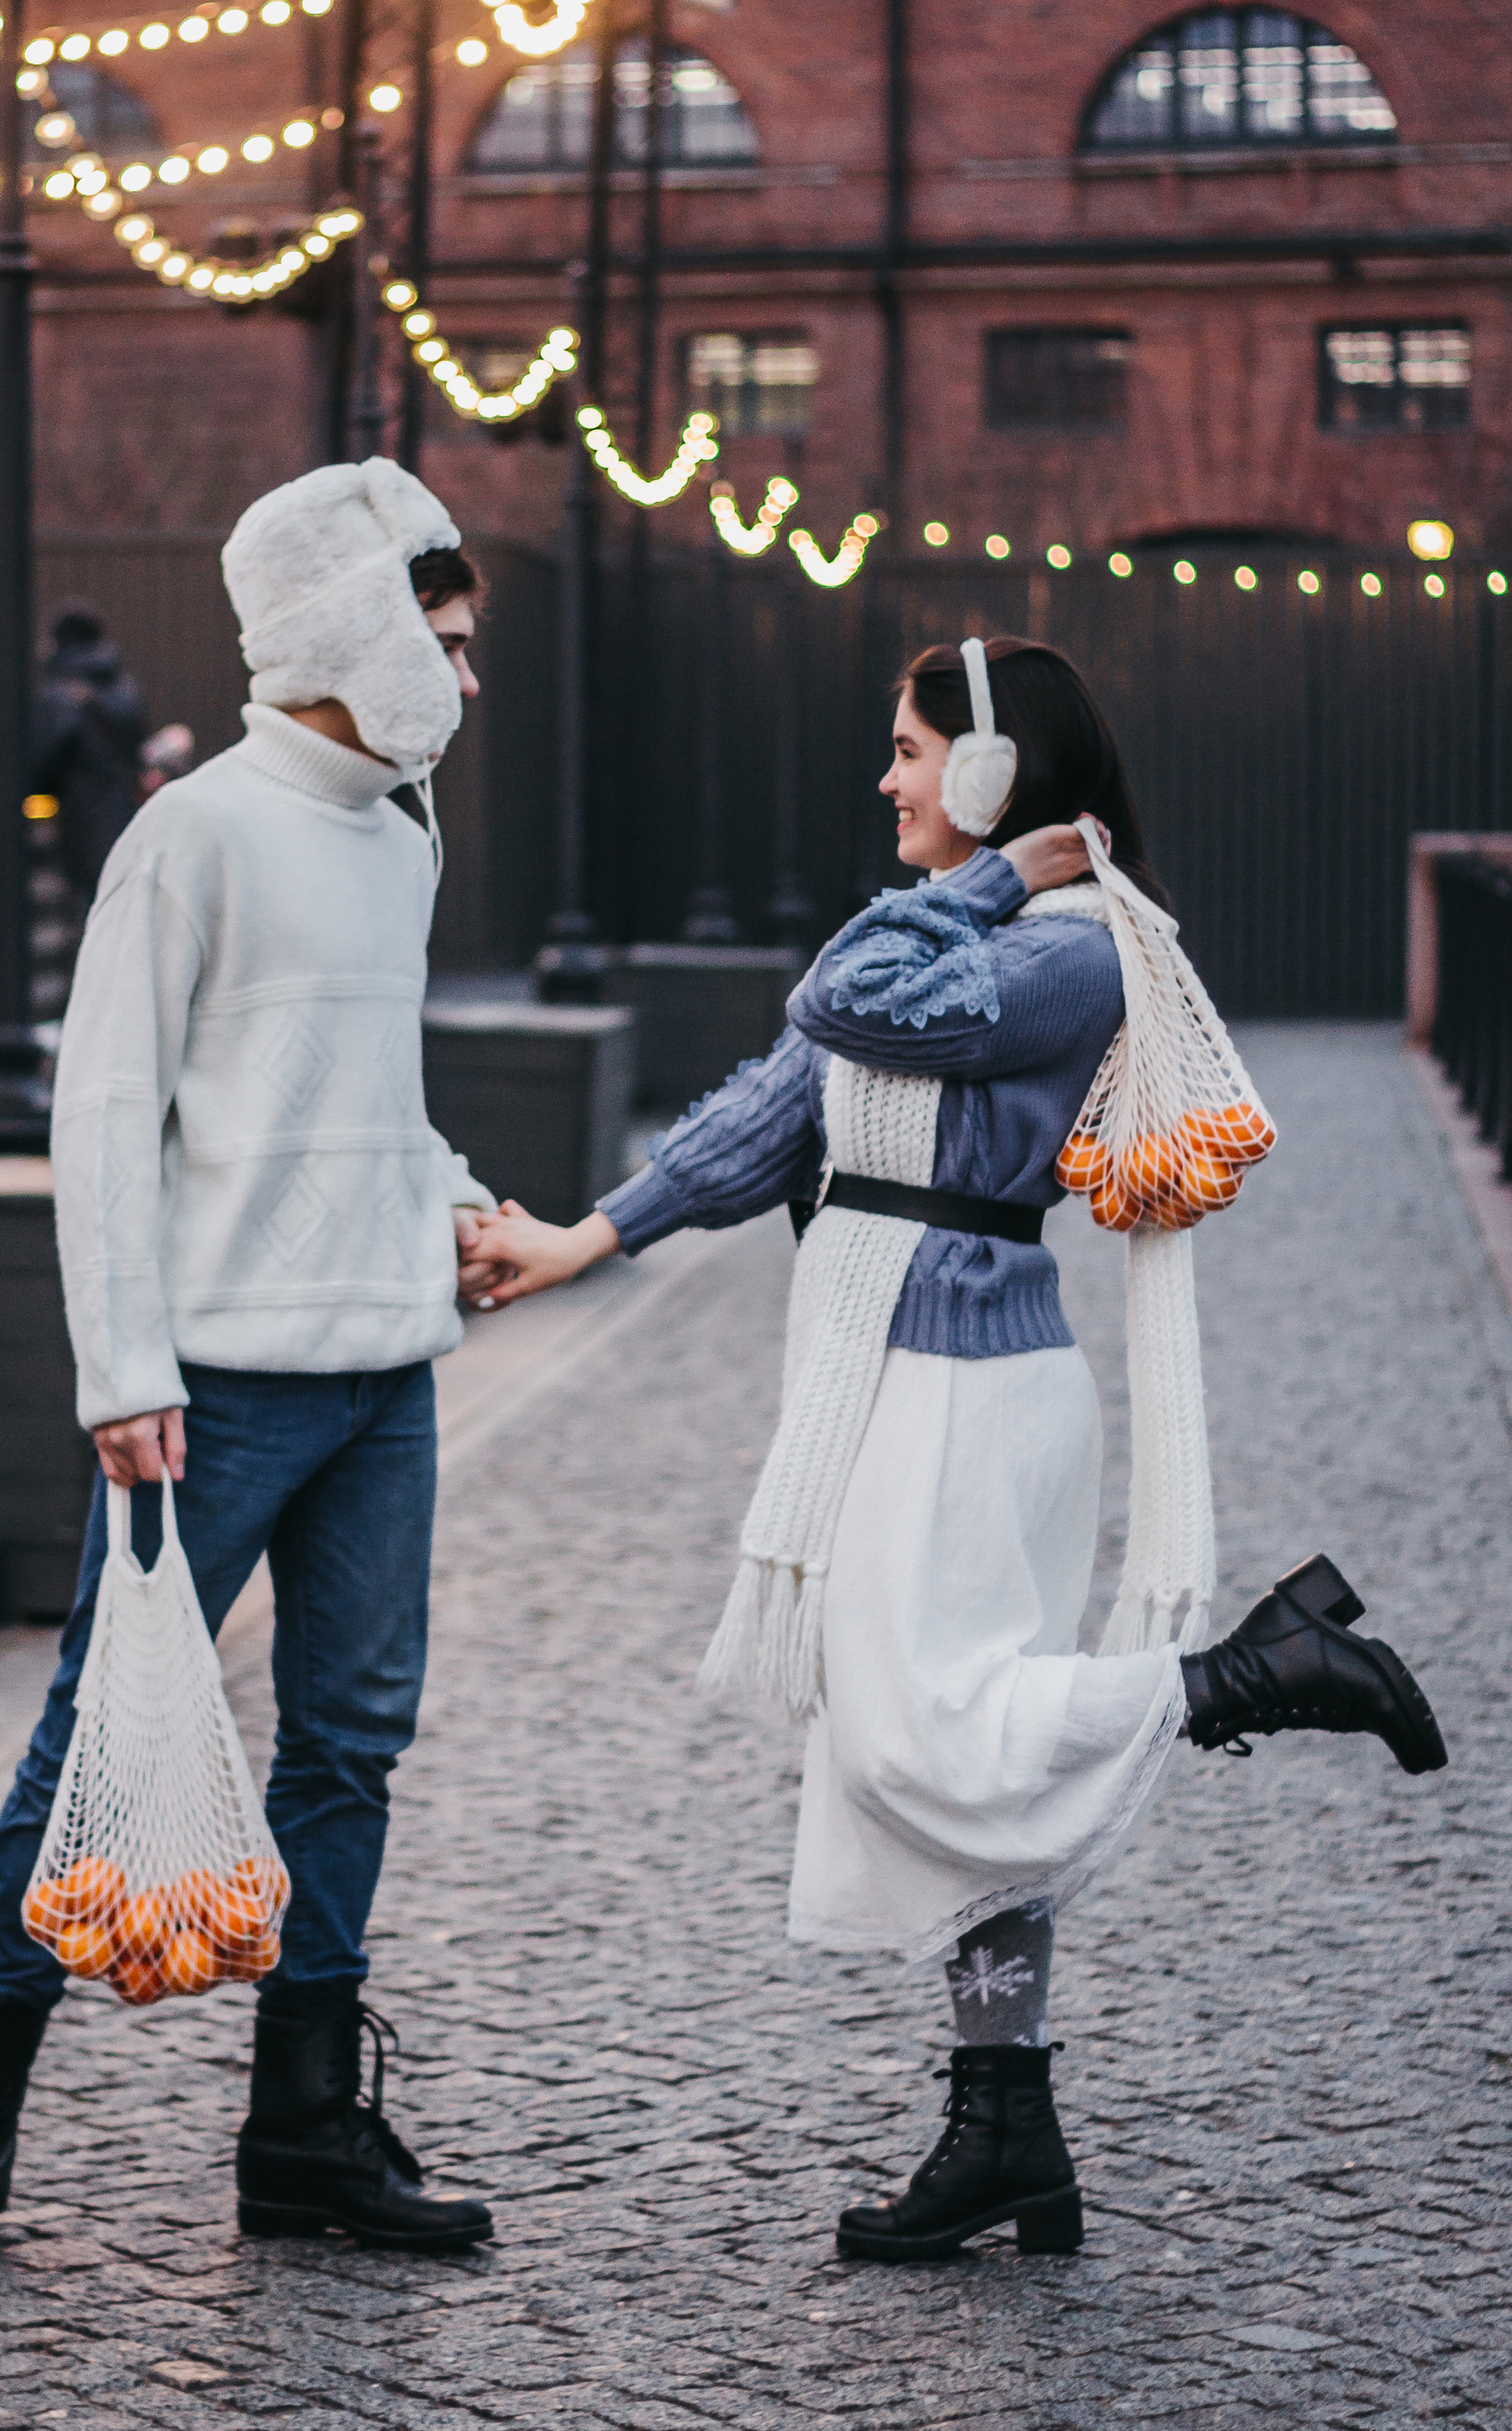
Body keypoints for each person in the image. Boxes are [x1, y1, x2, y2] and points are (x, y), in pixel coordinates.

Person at [471, 636, 1444, 2265]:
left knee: (929, 1742)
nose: (887, 780)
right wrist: (586, 1236)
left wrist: (997, 878)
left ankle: (1249, 1674)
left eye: (914, 751)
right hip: (892, 1378)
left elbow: (841, 993)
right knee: (948, 1783)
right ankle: (1003, 2131)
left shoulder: (1064, 952)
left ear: (994, 779)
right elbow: (778, 1103)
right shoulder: (974, 935)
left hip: (964, 1392)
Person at [0, 459, 502, 2271]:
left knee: (350, 1745)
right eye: (442, 642)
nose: (464, 683)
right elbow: (99, 1121)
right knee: (92, 1739)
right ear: (354, 631)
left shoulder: (399, 832)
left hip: (385, 1377)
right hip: (208, 1394)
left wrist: (452, 1201)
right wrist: (120, 1368)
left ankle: (298, 2135)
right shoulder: (194, 832)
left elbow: (360, 1095)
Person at [31, 604, 153, 909]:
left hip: (84, 827)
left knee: (91, 915)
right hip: (129, 816)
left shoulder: (60, 696)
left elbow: (38, 765)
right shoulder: (125, 690)